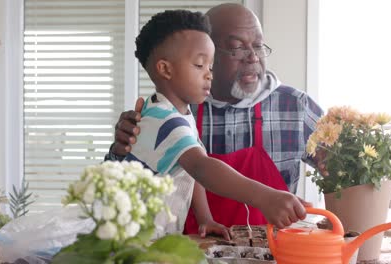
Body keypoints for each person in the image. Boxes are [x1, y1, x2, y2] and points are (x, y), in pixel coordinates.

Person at [106, 4, 322, 236]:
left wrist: (205, 218)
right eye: (236, 48)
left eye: (258, 46)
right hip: (147, 241)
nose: (253, 57)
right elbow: (200, 167)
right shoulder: (165, 118)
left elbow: (190, 168)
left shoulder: (296, 107)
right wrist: (264, 196)